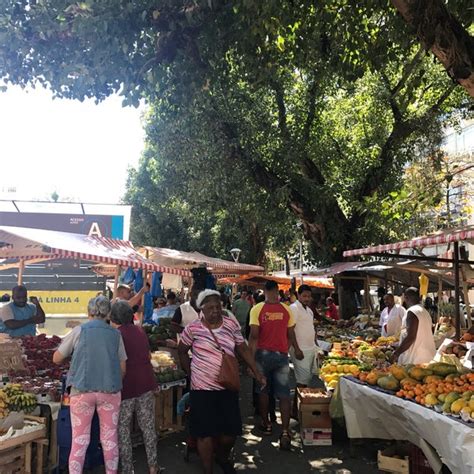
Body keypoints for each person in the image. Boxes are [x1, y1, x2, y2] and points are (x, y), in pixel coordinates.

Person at [178, 290, 265, 474]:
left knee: (230, 433)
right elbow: (182, 350)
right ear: (202, 309)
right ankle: (207, 469)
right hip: (201, 388)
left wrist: (256, 371)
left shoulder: (231, 325)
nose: (215, 311)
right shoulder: (193, 328)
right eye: (210, 308)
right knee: (204, 433)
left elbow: (242, 347)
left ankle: (222, 456)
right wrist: (190, 372)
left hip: (228, 385)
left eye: (218, 306)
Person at [52, 296, 126, 474]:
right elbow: (123, 368)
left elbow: (56, 358)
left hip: (81, 391)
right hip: (110, 391)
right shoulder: (116, 334)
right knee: (109, 440)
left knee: (79, 441)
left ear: (88, 312)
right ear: (108, 313)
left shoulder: (79, 330)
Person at [249, 280, 303, 450]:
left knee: (263, 391)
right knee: (284, 394)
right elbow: (291, 333)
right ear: (278, 291)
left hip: (262, 355)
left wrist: (250, 361)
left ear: (265, 291)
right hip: (281, 355)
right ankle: (285, 431)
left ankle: (267, 424)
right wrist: (291, 348)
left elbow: (254, 336)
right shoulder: (287, 309)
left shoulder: (257, 309)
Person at [109, 301, 163, 474]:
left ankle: (128, 469)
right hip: (146, 383)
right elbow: (147, 356)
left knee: (122, 429)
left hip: (126, 386)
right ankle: (153, 466)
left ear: (113, 317)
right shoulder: (140, 331)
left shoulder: (115, 335)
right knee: (148, 427)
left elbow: (115, 363)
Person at [289, 285, 318, 413]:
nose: (307, 298)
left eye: (308, 296)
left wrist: (316, 345)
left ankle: (301, 408)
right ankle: (295, 410)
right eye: (304, 296)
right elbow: (290, 330)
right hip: (300, 349)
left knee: (306, 380)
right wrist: (296, 349)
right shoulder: (294, 308)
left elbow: (312, 328)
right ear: (298, 295)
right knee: (301, 381)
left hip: (311, 348)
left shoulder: (309, 310)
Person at [393, 287, 436, 365]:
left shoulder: (412, 312)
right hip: (427, 356)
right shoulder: (425, 312)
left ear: (406, 298)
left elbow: (411, 337)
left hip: (415, 360)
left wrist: (396, 353)